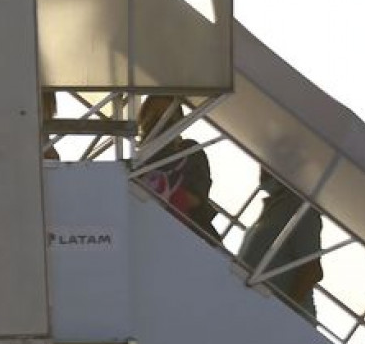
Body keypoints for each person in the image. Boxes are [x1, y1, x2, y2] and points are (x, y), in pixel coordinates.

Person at [236, 167, 324, 316]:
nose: (262, 170)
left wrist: (284, 312)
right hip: (255, 304)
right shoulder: (276, 205)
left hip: (278, 315)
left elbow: (311, 270)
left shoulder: (301, 208)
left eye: (268, 166)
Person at [134, 95, 218, 238]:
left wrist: (166, 194)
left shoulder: (190, 151)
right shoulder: (135, 161)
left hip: (191, 232)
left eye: (166, 116)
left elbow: (197, 197)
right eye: (154, 114)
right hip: (148, 232)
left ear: (178, 120)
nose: (159, 121)